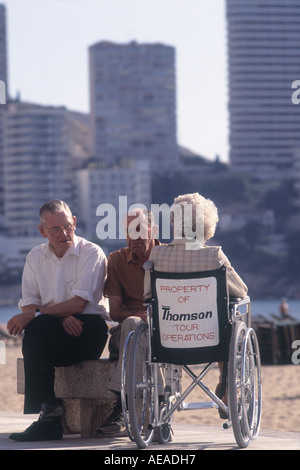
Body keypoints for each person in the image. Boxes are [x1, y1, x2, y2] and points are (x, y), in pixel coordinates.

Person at [7, 200, 109, 442]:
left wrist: (46, 314)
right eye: (56, 229)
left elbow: (78, 304)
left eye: (68, 226)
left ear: (74, 222)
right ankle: (49, 410)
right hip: (54, 327)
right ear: (43, 231)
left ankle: (47, 415)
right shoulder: (35, 257)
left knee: (38, 325)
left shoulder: (92, 253)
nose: (64, 234)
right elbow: (29, 303)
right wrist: (59, 315)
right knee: (37, 328)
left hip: (88, 329)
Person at [144, 192, 248, 419]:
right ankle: (227, 388)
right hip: (211, 344)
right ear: (205, 226)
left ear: (174, 222)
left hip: (168, 345)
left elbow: (147, 294)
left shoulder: (157, 255)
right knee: (226, 325)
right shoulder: (215, 256)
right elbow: (241, 291)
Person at [96, 208, 160, 437]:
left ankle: (121, 408)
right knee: (133, 324)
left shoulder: (168, 256)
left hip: (163, 333)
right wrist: (141, 315)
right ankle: (138, 402)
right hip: (126, 334)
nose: (134, 237)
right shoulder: (116, 260)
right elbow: (115, 312)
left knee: (142, 330)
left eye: (140, 230)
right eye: (129, 231)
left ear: (154, 231)